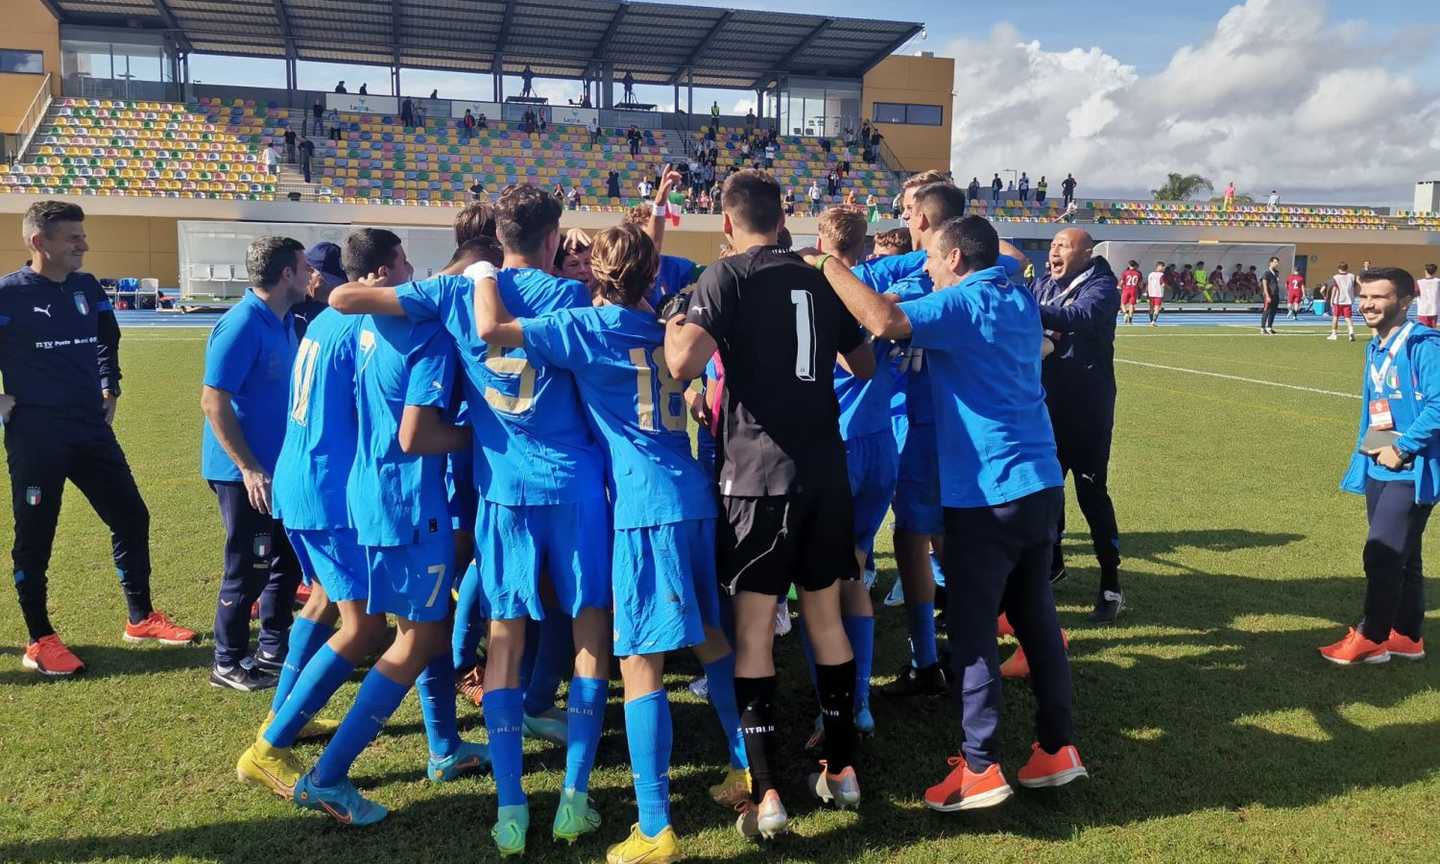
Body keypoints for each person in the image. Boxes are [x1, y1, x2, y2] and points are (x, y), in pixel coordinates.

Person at [329, 185, 613, 855]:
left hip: (503, 495)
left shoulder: (454, 294)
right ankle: (574, 797)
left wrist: (475, 274)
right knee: (589, 633)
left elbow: (341, 298)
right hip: (573, 490)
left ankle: (511, 807)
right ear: (553, 239)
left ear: (498, 235)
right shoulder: (568, 297)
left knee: (506, 642)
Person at [473, 223, 750, 862]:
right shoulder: (672, 327)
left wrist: (483, 273)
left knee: (641, 662)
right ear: (654, 274)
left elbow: (493, 331)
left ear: (595, 276)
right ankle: (744, 763)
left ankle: (654, 827)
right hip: (695, 493)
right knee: (710, 634)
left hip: (643, 506)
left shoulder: (586, 329)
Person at [810, 213, 1086, 811]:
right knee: (1036, 618)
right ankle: (1056, 747)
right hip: (1039, 482)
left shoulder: (963, 304)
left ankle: (981, 766)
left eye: (933, 258)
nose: (927, 268)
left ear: (957, 259)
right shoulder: (1014, 292)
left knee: (972, 630)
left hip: (989, 491)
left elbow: (882, 318)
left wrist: (830, 265)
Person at [664, 170, 876, 839]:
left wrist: (678, 323)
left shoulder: (725, 276)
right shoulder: (819, 274)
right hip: (825, 472)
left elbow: (682, 364)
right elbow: (863, 365)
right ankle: (841, 769)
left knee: (754, 632)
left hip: (758, 477)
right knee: (825, 618)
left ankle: (768, 792)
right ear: (783, 217)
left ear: (728, 224)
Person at [286, 229, 488, 825]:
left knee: (419, 625)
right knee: (418, 638)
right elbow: (416, 435)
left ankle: (444, 748)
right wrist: (482, 437)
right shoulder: (425, 331)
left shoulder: (371, 324)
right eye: (402, 261)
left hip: (370, 497)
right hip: (405, 504)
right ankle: (326, 776)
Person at [0, 201, 194, 676]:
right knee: (36, 536)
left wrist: (112, 382)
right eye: (73, 237)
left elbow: (107, 337)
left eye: (83, 236)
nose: (83, 245)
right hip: (36, 434)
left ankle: (140, 617)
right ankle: (40, 639)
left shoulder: (87, 288)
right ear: (38, 241)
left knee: (131, 516)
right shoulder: (8, 294)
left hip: (90, 427)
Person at [200, 236, 308, 691]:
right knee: (248, 565)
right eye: (304, 268)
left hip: (278, 466)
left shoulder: (283, 321)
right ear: (286, 274)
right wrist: (248, 467)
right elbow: (213, 401)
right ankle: (226, 661)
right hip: (243, 472)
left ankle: (271, 645)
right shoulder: (242, 323)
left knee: (286, 561)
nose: (311, 276)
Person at [1321, 267, 1435, 665]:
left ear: (1405, 301)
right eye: (1364, 296)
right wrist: (1375, 449)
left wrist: (1403, 448)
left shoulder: (1423, 344)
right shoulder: (1376, 344)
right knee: (1406, 554)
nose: (1367, 304)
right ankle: (1407, 635)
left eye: (1379, 297)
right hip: (1379, 460)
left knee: (1382, 553)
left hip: (1412, 464)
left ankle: (1371, 639)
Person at [1030, 229, 1124, 622]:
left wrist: (1017, 305)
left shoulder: (1102, 287)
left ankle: (1111, 583)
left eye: (1063, 246)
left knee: (1090, 493)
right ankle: (1053, 563)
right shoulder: (1043, 285)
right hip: (1046, 406)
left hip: (1087, 409)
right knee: (1046, 491)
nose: (1054, 251)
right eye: (1051, 245)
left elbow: (1077, 317)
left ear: (1086, 253)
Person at [1328, 262, 1358, 342]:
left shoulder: (1336, 277)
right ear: (1347, 268)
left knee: (1335, 317)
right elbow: (1355, 287)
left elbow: (1334, 289)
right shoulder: (1352, 276)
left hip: (1338, 301)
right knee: (1348, 318)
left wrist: (1331, 299)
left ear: (1338, 268)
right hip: (1348, 300)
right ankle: (1351, 332)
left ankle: (1334, 334)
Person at [1260, 256, 1281, 335]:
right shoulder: (1266, 273)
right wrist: (1267, 295)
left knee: (1273, 312)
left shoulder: (1276, 272)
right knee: (1266, 311)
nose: (1277, 264)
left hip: (1275, 294)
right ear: (1270, 262)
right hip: (1269, 295)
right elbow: (1264, 284)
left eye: (1277, 262)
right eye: (1275, 262)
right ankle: (1262, 328)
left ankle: (1269, 327)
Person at [1119, 259, 1141, 324]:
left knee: (1122, 303)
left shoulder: (1125, 272)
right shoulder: (1138, 273)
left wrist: (1119, 286)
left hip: (1126, 289)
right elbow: (1140, 284)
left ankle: (1125, 313)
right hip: (1134, 289)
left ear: (1129, 265)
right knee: (1131, 305)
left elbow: (1122, 282)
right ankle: (1130, 320)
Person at [1145, 260, 1166, 326]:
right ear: (1159, 266)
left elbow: (1148, 284)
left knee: (1151, 308)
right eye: (1163, 267)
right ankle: (1153, 321)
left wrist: (1146, 292)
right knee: (1157, 308)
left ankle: (1151, 321)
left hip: (1151, 293)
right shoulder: (1162, 275)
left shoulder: (1150, 274)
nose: (1163, 268)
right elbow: (1162, 284)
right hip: (1158, 294)